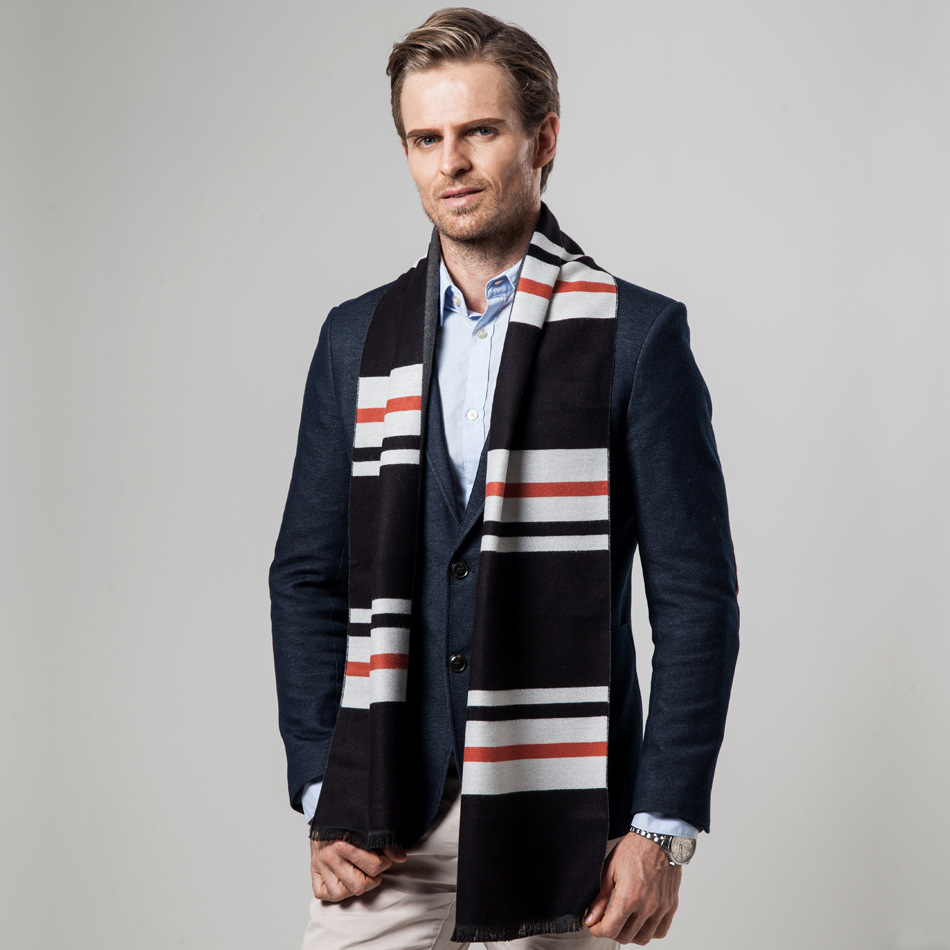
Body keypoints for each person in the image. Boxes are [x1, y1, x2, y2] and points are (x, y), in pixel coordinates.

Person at [269, 8, 739, 948]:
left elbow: (696, 601)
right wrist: (323, 786)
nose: (451, 163)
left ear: (543, 139)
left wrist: (661, 829)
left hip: (564, 822)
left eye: (479, 131)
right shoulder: (355, 339)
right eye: (425, 139)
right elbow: (306, 577)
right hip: (382, 818)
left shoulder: (637, 338)